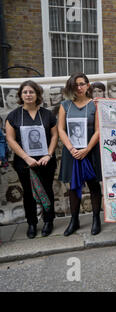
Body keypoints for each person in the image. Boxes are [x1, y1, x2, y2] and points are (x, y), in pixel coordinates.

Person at [5, 80, 58, 238]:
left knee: (47, 190)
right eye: (25, 92)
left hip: (46, 161)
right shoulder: (13, 116)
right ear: (21, 95)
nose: (28, 95)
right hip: (24, 162)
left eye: (31, 92)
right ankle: (32, 224)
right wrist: (27, 158)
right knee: (28, 193)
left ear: (37, 94)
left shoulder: (47, 114)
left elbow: (55, 135)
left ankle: (49, 221)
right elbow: (11, 139)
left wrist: (48, 154)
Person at [58, 72, 103, 236]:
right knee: (73, 186)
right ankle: (74, 220)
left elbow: (98, 130)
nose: (79, 87)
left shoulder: (95, 105)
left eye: (82, 84)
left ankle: (96, 218)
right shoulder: (65, 105)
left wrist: (86, 149)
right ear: (71, 86)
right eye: (76, 84)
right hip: (72, 152)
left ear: (88, 85)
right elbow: (60, 129)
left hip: (89, 151)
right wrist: (72, 149)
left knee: (93, 185)